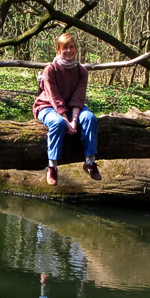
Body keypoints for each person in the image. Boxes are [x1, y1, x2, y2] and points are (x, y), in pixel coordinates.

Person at [32, 32, 101, 186]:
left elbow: (78, 97)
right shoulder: (50, 69)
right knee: (58, 124)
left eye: (71, 47)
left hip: (72, 108)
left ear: (76, 49)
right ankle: (52, 166)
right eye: (65, 48)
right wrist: (66, 120)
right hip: (47, 106)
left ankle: (90, 162)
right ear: (59, 50)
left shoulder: (81, 71)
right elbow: (54, 97)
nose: (68, 51)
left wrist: (75, 120)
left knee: (90, 118)